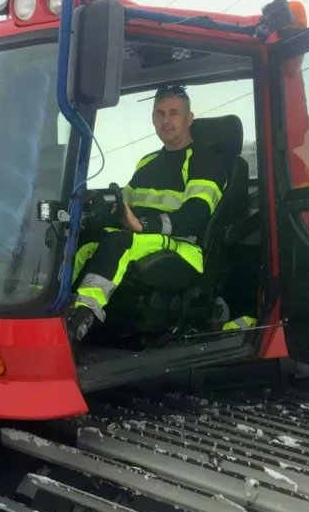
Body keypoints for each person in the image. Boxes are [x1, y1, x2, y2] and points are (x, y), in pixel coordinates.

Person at [66, 84, 227, 342]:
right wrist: (98, 211)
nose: (166, 120)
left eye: (173, 113)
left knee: (120, 241)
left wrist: (144, 224)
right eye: (160, 113)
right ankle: (54, 305)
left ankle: (83, 316)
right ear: (153, 118)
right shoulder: (147, 162)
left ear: (189, 118)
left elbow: (196, 215)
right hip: (143, 237)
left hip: (184, 247)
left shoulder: (205, 161)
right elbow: (124, 205)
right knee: (85, 239)